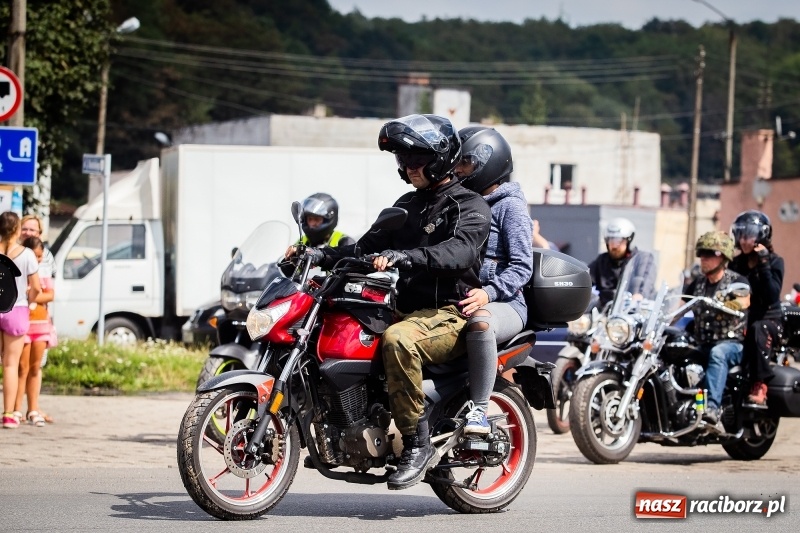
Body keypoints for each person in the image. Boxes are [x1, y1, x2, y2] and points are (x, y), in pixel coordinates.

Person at [311, 114, 491, 490]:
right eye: (403, 159)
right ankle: (342, 426)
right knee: (343, 329)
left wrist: (405, 257)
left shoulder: (469, 205)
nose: (408, 166)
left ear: (441, 157)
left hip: (451, 314)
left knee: (397, 340)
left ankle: (416, 443)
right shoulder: (406, 204)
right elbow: (364, 249)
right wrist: (317, 255)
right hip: (405, 310)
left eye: (416, 158)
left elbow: (460, 252)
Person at [453, 126, 533, 434]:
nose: (459, 170)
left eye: (466, 163)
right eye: (457, 163)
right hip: (465, 298)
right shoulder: (462, 204)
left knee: (481, 323)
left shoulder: (510, 206)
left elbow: (522, 267)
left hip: (506, 303)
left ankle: (479, 410)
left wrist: (489, 292)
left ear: (490, 162)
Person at [685, 231, 750, 425]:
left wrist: (731, 304)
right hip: (702, 343)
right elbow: (678, 308)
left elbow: (745, 300)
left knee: (718, 353)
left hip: (732, 344)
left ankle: (712, 408)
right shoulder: (697, 284)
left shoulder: (736, 281)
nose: (703, 258)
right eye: (701, 254)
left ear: (723, 258)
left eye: (709, 254)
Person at [728, 210, 784, 407]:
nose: (744, 241)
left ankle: (759, 384)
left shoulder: (775, 262)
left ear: (762, 235)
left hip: (768, 321)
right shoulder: (736, 264)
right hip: (740, 318)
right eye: (741, 235)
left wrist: (764, 264)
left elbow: (772, 295)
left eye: (749, 235)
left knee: (757, 329)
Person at [1, 212, 41, 429]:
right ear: (17, 229)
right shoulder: (27, 255)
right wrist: (29, 301)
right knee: (10, 364)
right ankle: (8, 414)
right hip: (16, 309)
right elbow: (36, 287)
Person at [13, 236, 55, 427]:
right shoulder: (19, 272)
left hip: (41, 325)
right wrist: (34, 294)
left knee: (35, 368)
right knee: (22, 368)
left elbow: (50, 295)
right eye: (35, 256)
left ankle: (33, 409)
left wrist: (31, 295)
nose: (38, 260)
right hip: (24, 325)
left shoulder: (43, 272)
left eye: (40, 256)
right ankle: (15, 409)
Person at [588, 217, 656, 308]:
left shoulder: (642, 259)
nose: (614, 246)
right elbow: (586, 279)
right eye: (611, 241)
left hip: (633, 311)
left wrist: (638, 295)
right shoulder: (602, 261)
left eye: (619, 241)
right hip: (606, 312)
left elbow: (643, 280)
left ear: (629, 240)